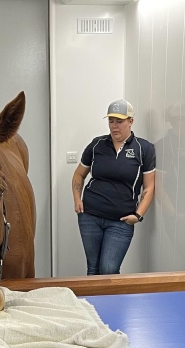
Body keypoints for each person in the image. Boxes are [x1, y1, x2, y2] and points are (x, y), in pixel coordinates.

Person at [71, 99, 156, 275]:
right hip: (90, 217)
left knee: (109, 269)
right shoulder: (97, 145)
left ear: (131, 121)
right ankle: (91, 303)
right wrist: (77, 199)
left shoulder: (144, 149)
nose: (114, 126)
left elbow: (149, 187)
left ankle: (108, 303)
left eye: (120, 121)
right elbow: (79, 174)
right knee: (93, 268)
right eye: (111, 121)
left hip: (121, 222)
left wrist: (138, 215)